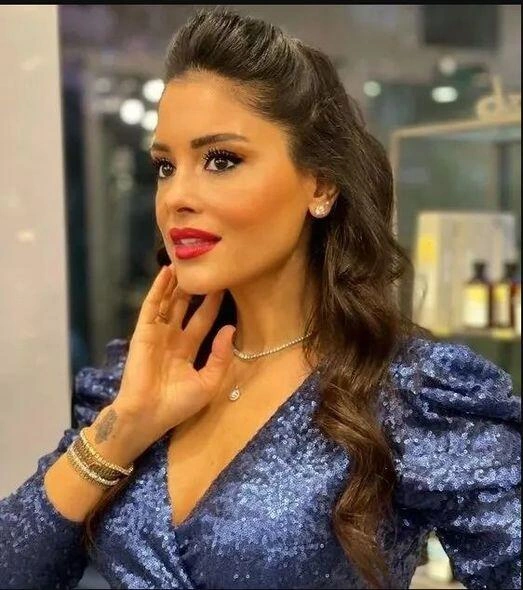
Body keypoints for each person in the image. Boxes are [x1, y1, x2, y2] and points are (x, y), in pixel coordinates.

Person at [1, 7, 520, 590]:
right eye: (165, 166)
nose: (176, 197)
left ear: (320, 183)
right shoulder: (139, 380)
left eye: (221, 160)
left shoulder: (408, 394)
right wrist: (124, 429)